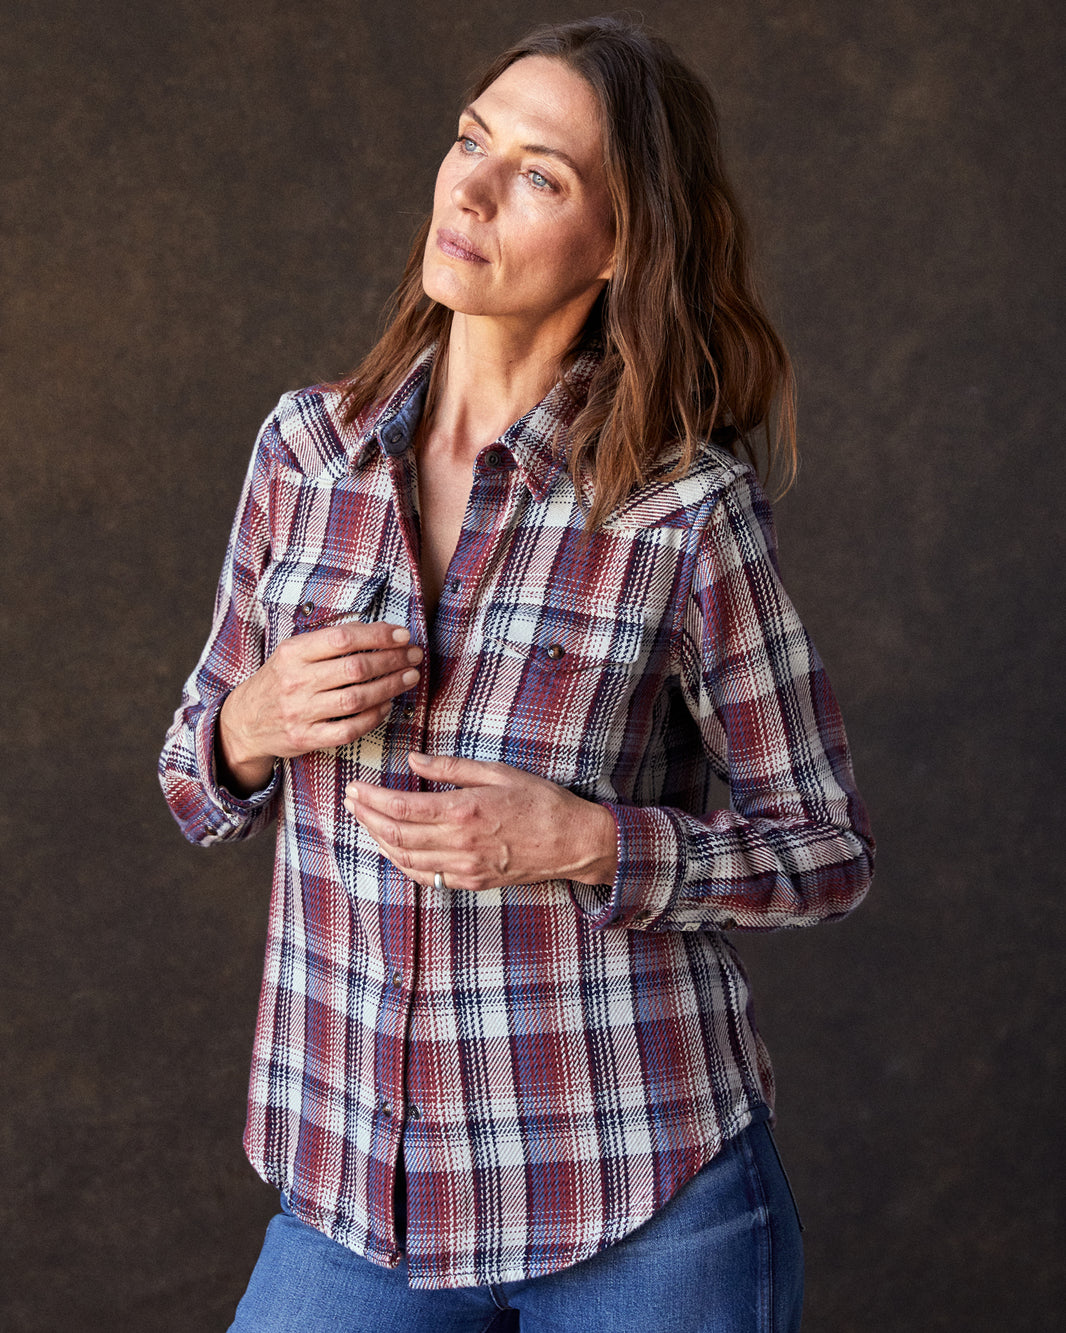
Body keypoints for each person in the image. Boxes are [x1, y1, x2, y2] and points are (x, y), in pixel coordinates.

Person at [159, 16, 873, 1332]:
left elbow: (823, 849)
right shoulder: (305, 454)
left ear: (621, 244)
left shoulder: (681, 512)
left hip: (639, 1194)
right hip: (357, 1191)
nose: (472, 189)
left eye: (539, 174)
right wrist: (248, 724)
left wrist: (586, 840)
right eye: (470, 140)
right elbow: (193, 777)